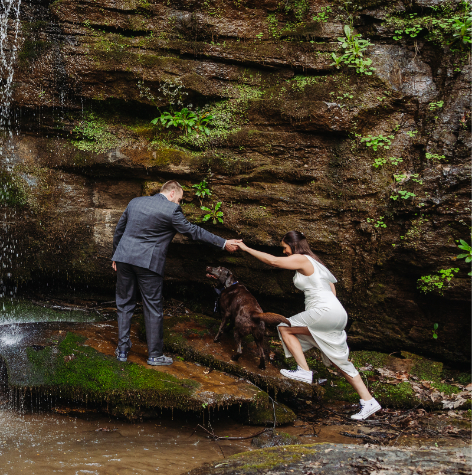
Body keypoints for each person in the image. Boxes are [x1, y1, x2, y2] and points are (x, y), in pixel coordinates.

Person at [236, 231, 381, 420]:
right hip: (337, 313)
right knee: (338, 360)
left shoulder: (302, 259)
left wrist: (246, 248)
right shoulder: (319, 265)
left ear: (293, 246)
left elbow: (273, 261)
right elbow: (332, 291)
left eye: (285, 247)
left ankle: (304, 372)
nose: (284, 251)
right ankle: (369, 401)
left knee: (283, 327)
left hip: (325, 311)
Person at [111, 180, 242, 366]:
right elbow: (194, 232)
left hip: (124, 258)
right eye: (179, 199)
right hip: (148, 263)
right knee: (152, 308)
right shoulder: (171, 210)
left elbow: (120, 229)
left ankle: (122, 350)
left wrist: (116, 255)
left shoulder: (135, 202)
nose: (179, 203)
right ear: (172, 194)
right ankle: (154, 355)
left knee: (124, 303)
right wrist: (223, 242)